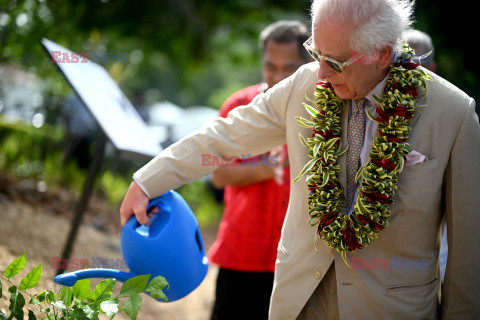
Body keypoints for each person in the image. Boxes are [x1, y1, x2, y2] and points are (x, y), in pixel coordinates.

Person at [120, 1, 480, 319]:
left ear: (382, 54)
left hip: (390, 309)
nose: (320, 73)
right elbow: (226, 135)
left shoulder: (454, 113)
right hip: (299, 301)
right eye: (315, 53)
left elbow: (467, 254)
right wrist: (147, 181)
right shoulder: (305, 84)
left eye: (335, 61)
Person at [207, 20, 310, 320]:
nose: (277, 76)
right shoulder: (239, 104)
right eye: (270, 66)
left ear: (308, 64)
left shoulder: (324, 108)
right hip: (242, 252)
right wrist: (270, 167)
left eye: (288, 68)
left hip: (296, 259)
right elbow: (218, 174)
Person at [404, 28, 448, 284]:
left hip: (438, 246)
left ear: (432, 67)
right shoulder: (375, 112)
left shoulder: (453, 115)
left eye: (419, 65)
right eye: (403, 65)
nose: (412, 73)